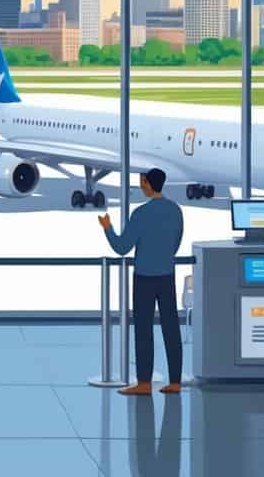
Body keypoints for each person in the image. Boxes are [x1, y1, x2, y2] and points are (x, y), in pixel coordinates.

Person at [97, 168, 184, 396]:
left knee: (144, 329)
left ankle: (144, 383)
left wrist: (107, 228)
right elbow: (175, 242)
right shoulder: (175, 211)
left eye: (141, 182)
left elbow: (121, 247)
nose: (140, 185)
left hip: (145, 277)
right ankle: (175, 381)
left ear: (147, 183)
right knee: (171, 328)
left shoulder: (141, 214)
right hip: (167, 275)